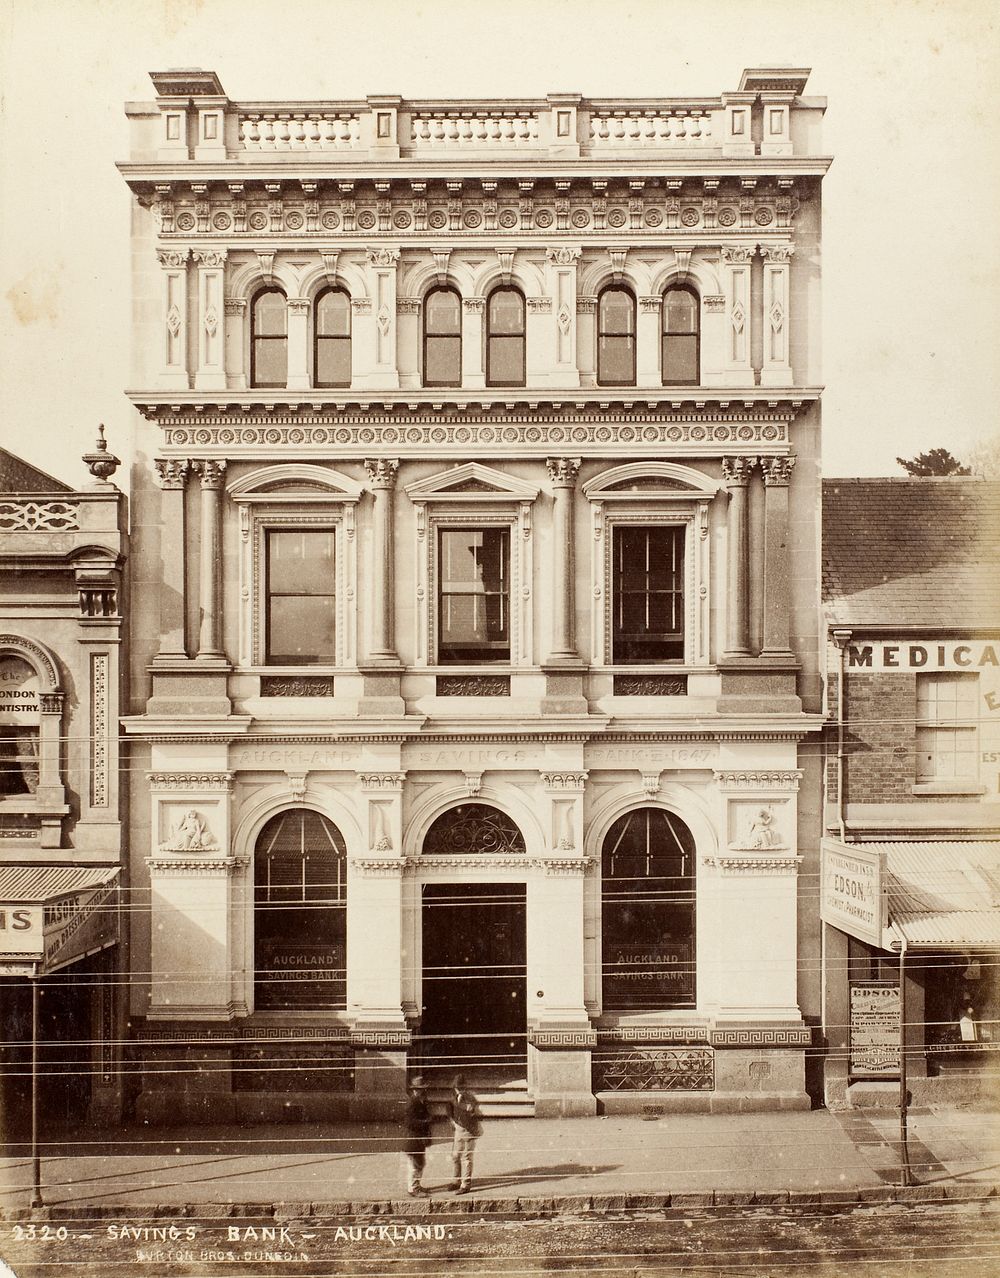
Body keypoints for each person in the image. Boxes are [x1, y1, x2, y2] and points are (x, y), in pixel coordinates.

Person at [447, 1074, 482, 1194]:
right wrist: (452, 1121)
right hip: (458, 1130)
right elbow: (450, 1111)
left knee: (466, 1158)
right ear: (454, 1088)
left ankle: (465, 1184)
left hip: (468, 1131)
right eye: (458, 1088)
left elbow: (477, 1113)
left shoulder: (470, 1098)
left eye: (462, 1088)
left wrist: (472, 1110)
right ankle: (456, 1180)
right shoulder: (453, 1097)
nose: (460, 1090)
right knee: (455, 1156)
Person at [402, 1075, 432, 1196]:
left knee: (420, 1163)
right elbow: (409, 1122)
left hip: (418, 1139)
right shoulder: (412, 1103)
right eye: (419, 1089)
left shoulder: (420, 1101)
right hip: (413, 1139)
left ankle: (417, 1185)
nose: (421, 1091)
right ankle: (413, 1188)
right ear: (414, 1090)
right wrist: (425, 1121)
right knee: (414, 1165)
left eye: (422, 1089)